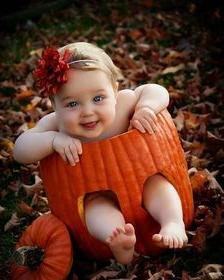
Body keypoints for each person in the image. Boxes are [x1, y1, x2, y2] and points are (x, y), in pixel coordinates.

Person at [13, 42, 188, 265]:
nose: (88, 112)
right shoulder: (55, 126)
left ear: (114, 91)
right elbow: (20, 150)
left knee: (157, 184)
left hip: (143, 178)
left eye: (98, 98)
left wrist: (146, 108)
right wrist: (53, 140)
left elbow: (155, 90)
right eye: (73, 103)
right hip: (95, 192)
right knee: (94, 208)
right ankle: (117, 241)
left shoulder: (124, 103)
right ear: (54, 105)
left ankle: (173, 222)